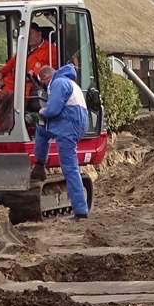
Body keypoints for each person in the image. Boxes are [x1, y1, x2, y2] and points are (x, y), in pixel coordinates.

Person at [29, 62, 90, 219]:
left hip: (68, 126)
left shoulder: (58, 83)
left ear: (47, 77)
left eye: (43, 83)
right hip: (70, 122)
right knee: (42, 131)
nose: (43, 86)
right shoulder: (67, 81)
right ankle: (39, 166)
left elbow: (53, 109)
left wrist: (41, 111)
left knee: (69, 167)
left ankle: (81, 211)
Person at [0, 22, 54, 132]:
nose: (28, 37)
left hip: (26, 86)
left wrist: (33, 74)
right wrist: (1, 73)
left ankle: (3, 128)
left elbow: (47, 72)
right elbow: (11, 63)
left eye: (31, 34)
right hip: (12, 83)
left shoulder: (50, 50)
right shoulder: (25, 49)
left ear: (39, 33)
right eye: (26, 34)